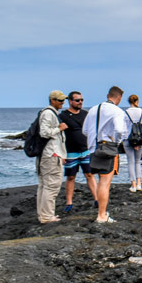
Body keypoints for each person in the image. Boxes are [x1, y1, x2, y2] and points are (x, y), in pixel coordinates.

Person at [82, 86, 127, 223]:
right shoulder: (117, 111)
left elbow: (85, 130)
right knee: (105, 182)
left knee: (98, 179)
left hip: (93, 148)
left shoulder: (93, 110)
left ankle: (101, 212)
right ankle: (101, 215)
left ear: (108, 95)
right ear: (118, 97)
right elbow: (119, 130)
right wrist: (117, 142)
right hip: (107, 147)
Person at [60, 91, 98, 212]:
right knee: (71, 176)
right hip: (70, 152)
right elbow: (60, 134)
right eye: (77, 100)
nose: (80, 102)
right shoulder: (63, 115)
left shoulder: (86, 114)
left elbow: (92, 130)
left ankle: (97, 199)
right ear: (70, 101)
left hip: (86, 150)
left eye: (81, 100)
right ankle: (69, 202)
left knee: (90, 174)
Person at [36, 90, 69, 224]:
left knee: (44, 185)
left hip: (48, 154)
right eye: (60, 100)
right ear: (52, 100)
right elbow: (44, 133)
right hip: (51, 155)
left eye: (63, 100)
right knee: (51, 186)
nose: (62, 103)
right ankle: (47, 216)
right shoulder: (49, 114)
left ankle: (44, 214)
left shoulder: (48, 113)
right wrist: (59, 129)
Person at [123, 94, 142, 193]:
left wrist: (130, 141)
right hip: (140, 139)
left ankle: (133, 184)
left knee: (130, 162)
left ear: (129, 102)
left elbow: (123, 128)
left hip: (128, 140)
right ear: (137, 101)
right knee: (138, 162)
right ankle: (139, 184)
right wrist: (139, 142)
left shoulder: (125, 113)